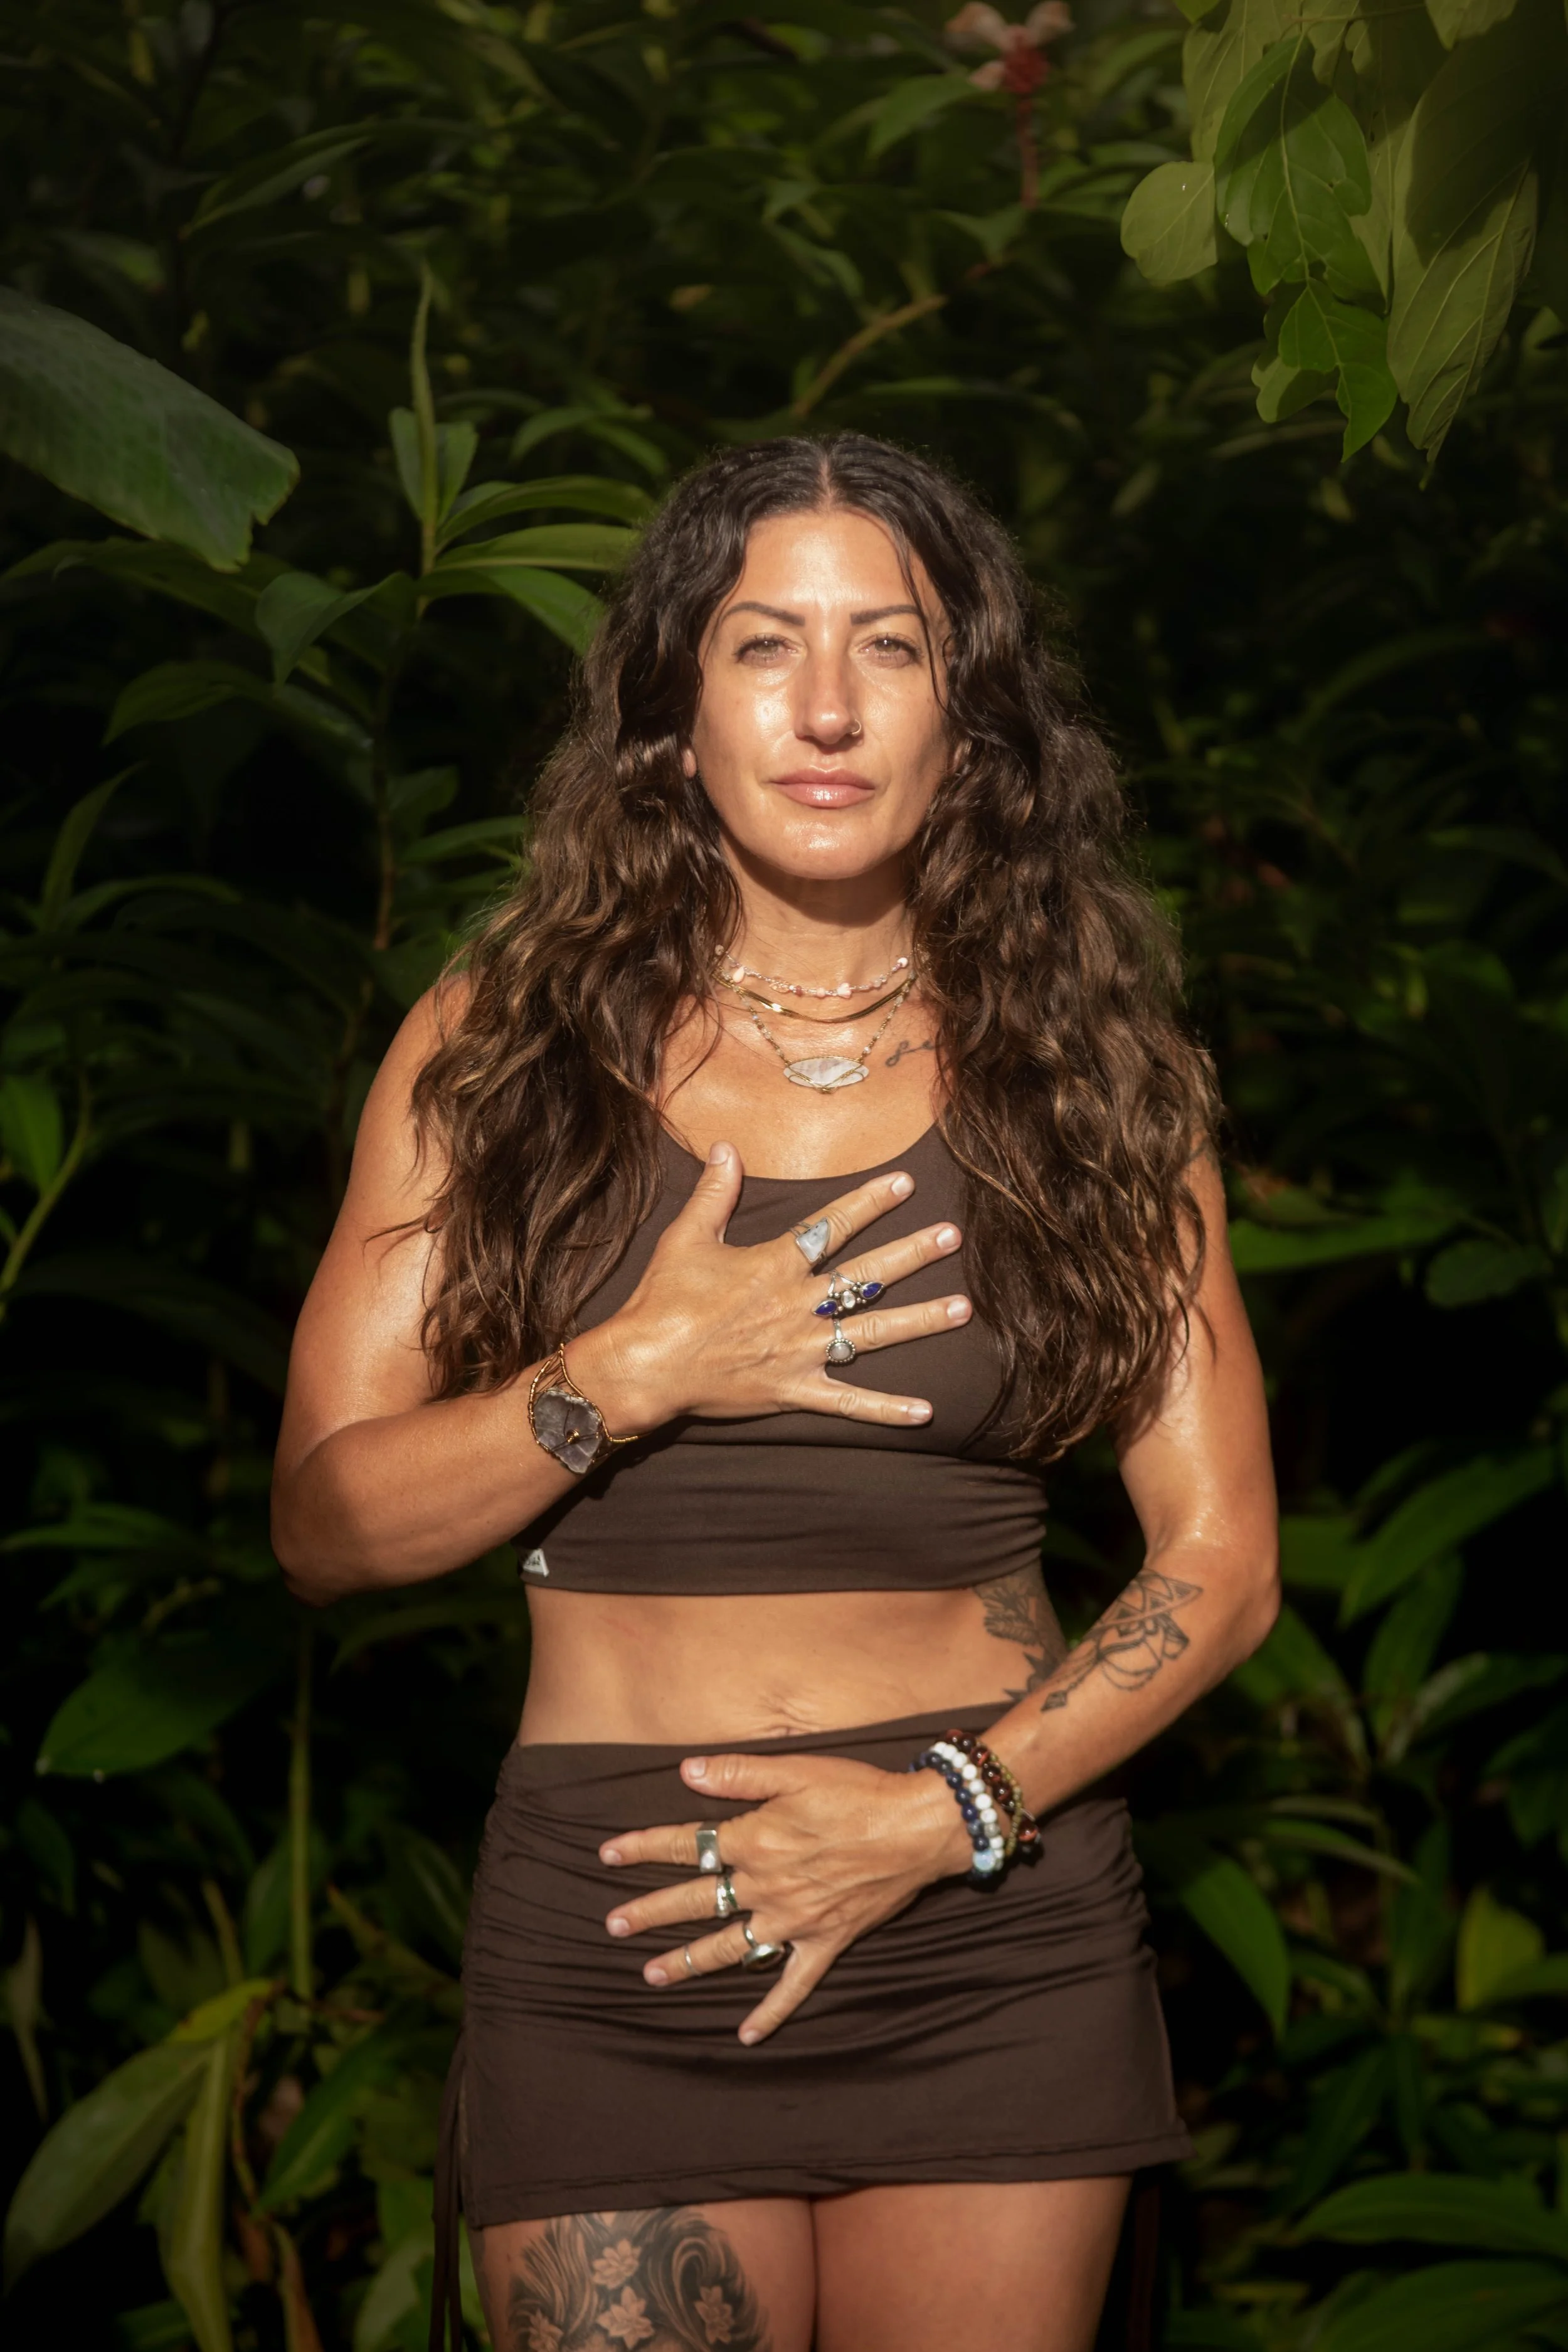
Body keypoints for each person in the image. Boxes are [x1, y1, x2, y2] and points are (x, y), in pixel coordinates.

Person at [272, 433, 1278, 2352]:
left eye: (888, 646)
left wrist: (942, 1810)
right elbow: (323, 1522)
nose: (826, 705)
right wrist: (627, 1369)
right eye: (763, 643)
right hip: (625, 1928)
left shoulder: (1088, 1071)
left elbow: (1219, 1562)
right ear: (672, 712)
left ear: (965, 722)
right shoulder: (503, 1048)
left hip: (988, 1913)